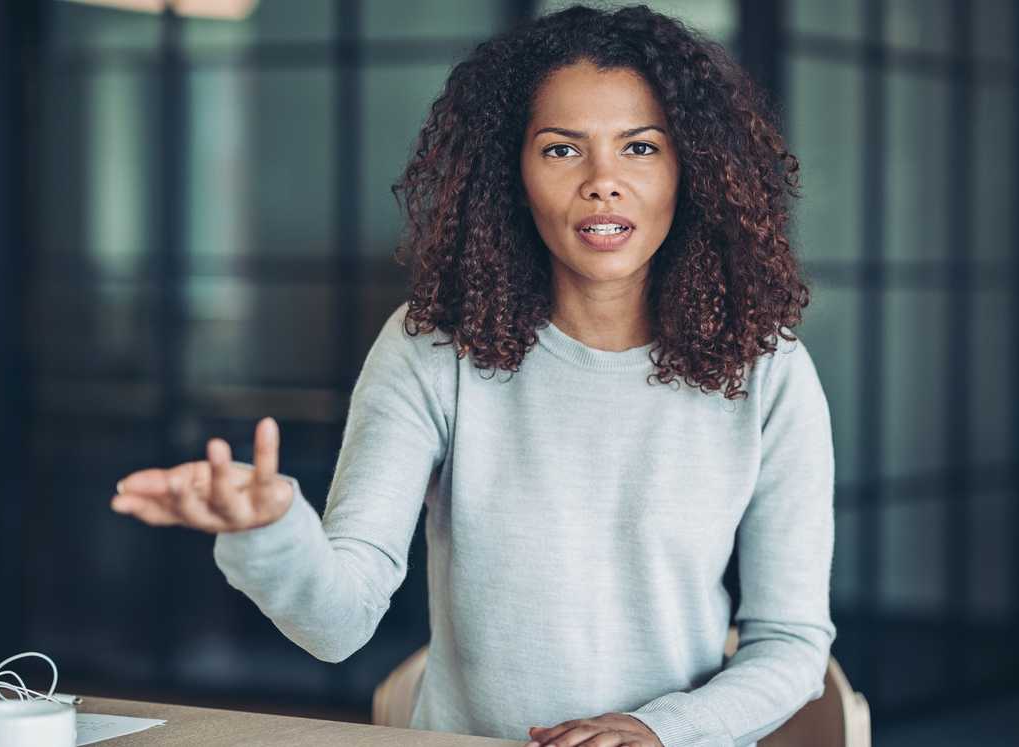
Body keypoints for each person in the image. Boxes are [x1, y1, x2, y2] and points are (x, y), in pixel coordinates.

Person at [110, 5, 836, 746]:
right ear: (510, 171)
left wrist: (656, 730)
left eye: (641, 147)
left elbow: (792, 645)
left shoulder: (767, 369)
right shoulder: (433, 348)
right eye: (561, 150)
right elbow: (339, 622)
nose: (603, 182)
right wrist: (269, 531)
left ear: (692, 168)